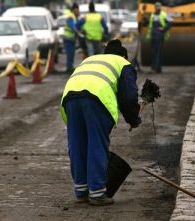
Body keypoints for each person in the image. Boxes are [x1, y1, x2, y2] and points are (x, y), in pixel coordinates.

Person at [60, 39, 141, 206]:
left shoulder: (90, 59)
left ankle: (81, 190)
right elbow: (129, 97)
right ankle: (97, 193)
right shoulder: (123, 63)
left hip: (70, 98)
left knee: (77, 144)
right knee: (96, 144)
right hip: (96, 99)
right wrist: (133, 119)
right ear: (125, 56)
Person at [147, 2, 172, 73]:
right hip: (153, 36)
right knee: (155, 52)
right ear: (155, 7)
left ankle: (154, 68)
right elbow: (150, 26)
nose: (158, 9)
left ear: (160, 7)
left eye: (159, 7)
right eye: (157, 7)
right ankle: (158, 68)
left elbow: (171, 22)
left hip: (159, 37)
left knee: (157, 52)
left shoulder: (164, 14)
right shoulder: (152, 15)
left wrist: (164, 28)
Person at [62, 3, 80, 73]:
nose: (78, 11)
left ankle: (70, 67)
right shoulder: (70, 16)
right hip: (67, 38)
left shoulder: (75, 16)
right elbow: (72, 25)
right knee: (70, 53)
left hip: (71, 38)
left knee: (72, 53)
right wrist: (77, 31)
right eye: (77, 10)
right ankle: (69, 68)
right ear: (74, 9)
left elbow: (77, 25)